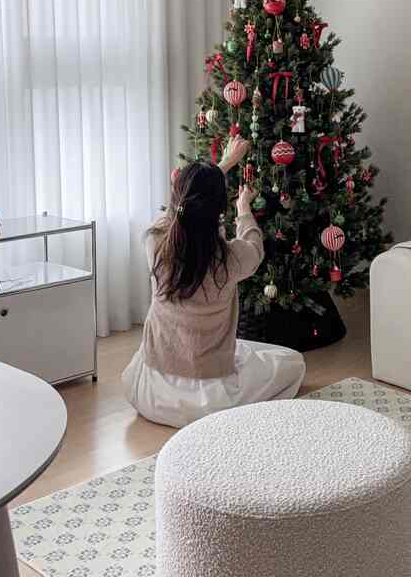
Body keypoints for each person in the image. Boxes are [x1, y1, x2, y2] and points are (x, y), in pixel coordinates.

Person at [122, 136, 306, 427]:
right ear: (219, 210)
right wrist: (244, 209)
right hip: (209, 398)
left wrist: (224, 164)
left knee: (247, 351)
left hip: (150, 392)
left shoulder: (155, 242)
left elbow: (183, 207)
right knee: (293, 363)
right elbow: (255, 246)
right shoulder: (230, 258)